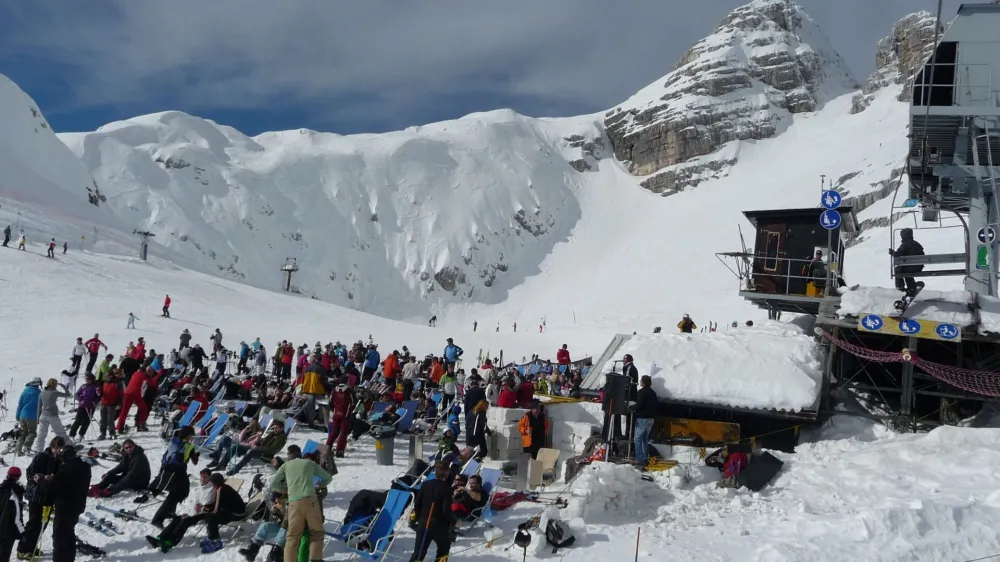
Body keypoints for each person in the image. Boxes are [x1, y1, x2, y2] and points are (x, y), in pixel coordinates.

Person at [147, 472, 246, 553]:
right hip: (209, 511)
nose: (203, 479)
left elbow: (218, 506)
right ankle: (161, 538)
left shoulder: (217, 489)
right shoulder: (203, 489)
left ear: (212, 481)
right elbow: (200, 505)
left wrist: (206, 510)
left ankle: (169, 544)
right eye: (201, 477)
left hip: (229, 514)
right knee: (179, 518)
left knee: (201, 519)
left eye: (206, 477)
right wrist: (196, 511)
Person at [269, 444, 333, 562]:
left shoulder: (286, 466)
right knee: (317, 533)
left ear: (289, 455)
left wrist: (284, 489)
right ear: (299, 453)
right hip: (311, 502)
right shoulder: (309, 463)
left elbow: (273, 483)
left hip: (294, 503)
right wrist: (320, 484)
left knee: (293, 536)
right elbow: (328, 478)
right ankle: (315, 559)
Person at [45, 441, 91, 562]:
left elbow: (53, 486)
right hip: (77, 505)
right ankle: (69, 559)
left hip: (65, 506)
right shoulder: (85, 467)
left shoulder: (68, 469)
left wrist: (41, 480)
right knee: (69, 533)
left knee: (60, 536)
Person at [150, 426, 200, 527]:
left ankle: (169, 512)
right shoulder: (187, 446)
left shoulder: (174, 441)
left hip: (168, 469)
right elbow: (194, 462)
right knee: (177, 494)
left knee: (178, 492)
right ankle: (157, 519)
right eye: (191, 435)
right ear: (187, 435)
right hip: (177, 471)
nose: (192, 437)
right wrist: (196, 455)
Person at [409, 461, 455, 562]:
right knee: (443, 550)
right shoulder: (446, 489)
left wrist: (418, 518)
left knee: (418, 553)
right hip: (440, 526)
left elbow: (417, 504)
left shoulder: (425, 485)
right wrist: (453, 522)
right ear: (447, 473)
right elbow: (445, 511)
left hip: (424, 523)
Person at [33, 379, 72, 452]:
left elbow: (39, 406)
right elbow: (68, 395)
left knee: (41, 434)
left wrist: (37, 418)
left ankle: (38, 449)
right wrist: (64, 387)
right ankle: (69, 446)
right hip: (53, 416)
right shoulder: (54, 392)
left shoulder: (42, 393)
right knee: (60, 432)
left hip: (43, 416)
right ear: (55, 384)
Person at [0, 466, 26, 562]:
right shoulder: (15, 495)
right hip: (6, 532)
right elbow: (17, 518)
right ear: (18, 477)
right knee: (3, 556)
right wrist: (23, 533)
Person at [632, 375, 658, 468]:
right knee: (645, 439)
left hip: (642, 418)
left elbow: (639, 405)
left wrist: (631, 407)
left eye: (641, 380)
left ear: (644, 382)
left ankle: (639, 459)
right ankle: (645, 457)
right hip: (651, 419)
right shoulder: (653, 393)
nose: (640, 381)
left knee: (637, 438)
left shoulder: (641, 392)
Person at [889, 227, 925, 293]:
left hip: (910, 268)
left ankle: (901, 286)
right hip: (918, 267)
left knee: (900, 270)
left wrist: (892, 253)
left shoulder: (905, 245)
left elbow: (898, 254)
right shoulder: (916, 244)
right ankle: (911, 286)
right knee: (906, 270)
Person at [116, 367, 151, 433]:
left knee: (124, 411)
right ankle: (141, 424)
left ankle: (119, 427)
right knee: (144, 409)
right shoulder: (145, 378)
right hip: (136, 394)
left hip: (127, 393)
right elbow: (144, 388)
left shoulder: (134, 374)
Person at [13, 378, 42, 457]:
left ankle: (18, 450)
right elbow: (40, 406)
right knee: (32, 433)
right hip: (32, 416)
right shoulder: (39, 393)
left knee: (23, 433)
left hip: (22, 415)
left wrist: (17, 416)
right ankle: (27, 446)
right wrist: (39, 417)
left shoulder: (25, 391)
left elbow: (20, 405)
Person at [326, 383, 354, 457]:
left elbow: (330, 402)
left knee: (334, 433)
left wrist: (335, 410)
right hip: (346, 415)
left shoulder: (334, 390)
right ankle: (340, 451)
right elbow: (353, 402)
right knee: (343, 433)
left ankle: (327, 448)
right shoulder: (349, 391)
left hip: (336, 414)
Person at [68, 374, 99, 440]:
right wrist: (80, 400)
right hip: (82, 406)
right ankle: (72, 434)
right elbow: (76, 394)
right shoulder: (83, 386)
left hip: (91, 406)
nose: (87, 381)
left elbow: (98, 397)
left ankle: (82, 434)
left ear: (92, 380)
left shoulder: (95, 387)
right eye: (87, 379)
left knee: (87, 421)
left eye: (89, 379)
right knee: (78, 420)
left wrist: (95, 402)